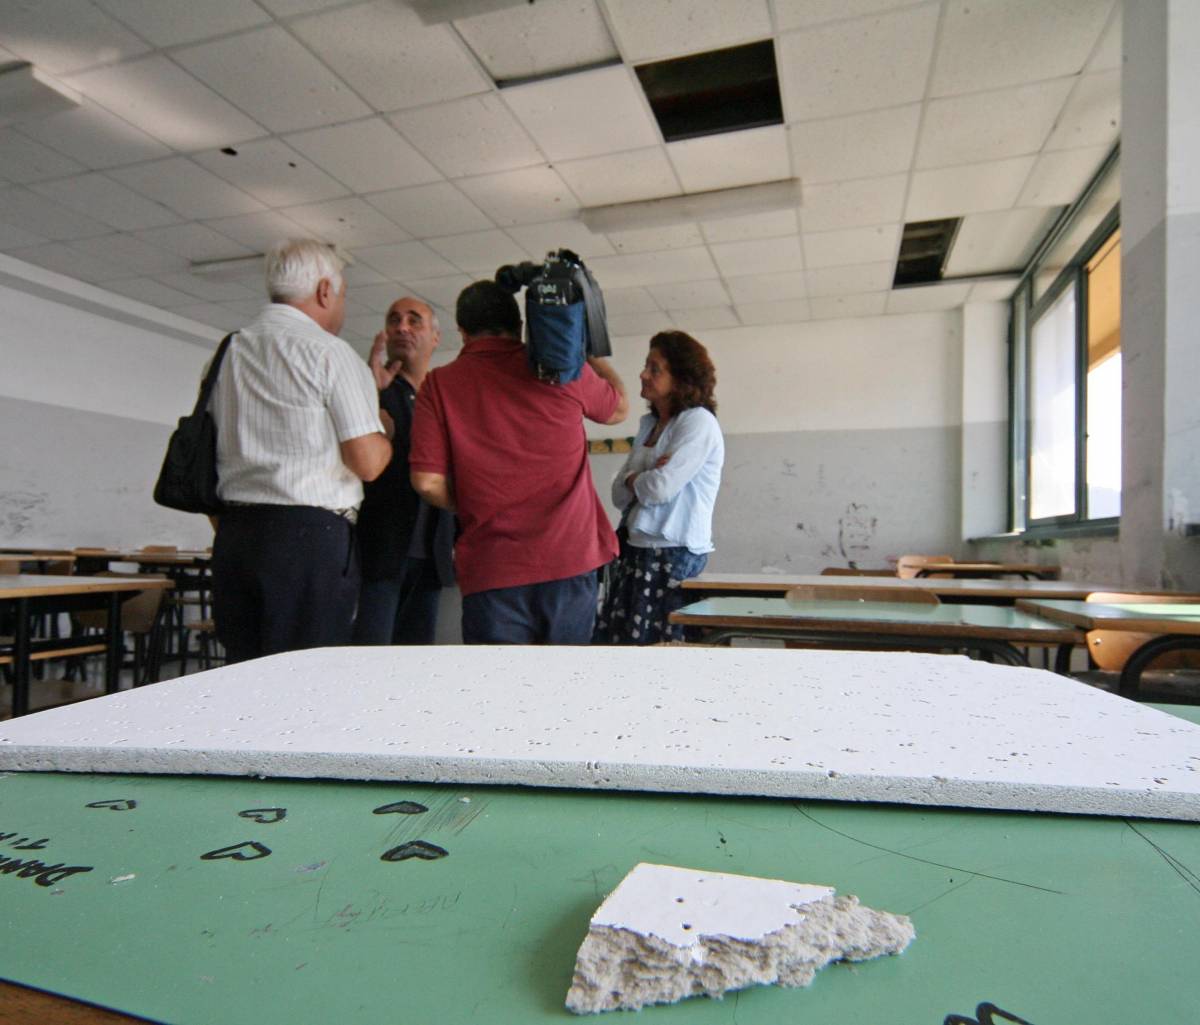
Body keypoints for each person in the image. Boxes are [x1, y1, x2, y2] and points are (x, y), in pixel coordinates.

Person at [409, 279, 628, 644]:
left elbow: (426, 481)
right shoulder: (561, 369)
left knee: (498, 694)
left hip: (493, 569)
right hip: (570, 560)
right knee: (567, 686)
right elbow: (619, 408)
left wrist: (479, 497)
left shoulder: (439, 385)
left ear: (462, 332)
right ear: (521, 326)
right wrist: (579, 349)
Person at [209, 239, 391, 664]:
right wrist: (383, 430)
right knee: (307, 676)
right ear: (325, 291)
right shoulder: (330, 353)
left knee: (242, 671)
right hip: (309, 539)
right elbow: (367, 463)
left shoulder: (225, 354)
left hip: (235, 535)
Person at [593, 330, 723, 645]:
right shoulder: (648, 425)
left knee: (663, 652)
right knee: (622, 647)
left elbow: (658, 490)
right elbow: (619, 495)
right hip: (637, 555)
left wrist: (635, 476)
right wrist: (639, 477)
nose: (643, 374)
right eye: (646, 366)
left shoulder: (697, 422)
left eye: (655, 369)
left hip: (674, 558)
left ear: (680, 380)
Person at [353, 297, 455, 645]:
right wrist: (368, 395)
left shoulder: (442, 399)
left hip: (432, 557)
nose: (402, 327)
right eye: (394, 320)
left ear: (436, 336)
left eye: (415, 321)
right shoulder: (371, 392)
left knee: (416, 662)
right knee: (369, 656)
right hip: (380, 555)